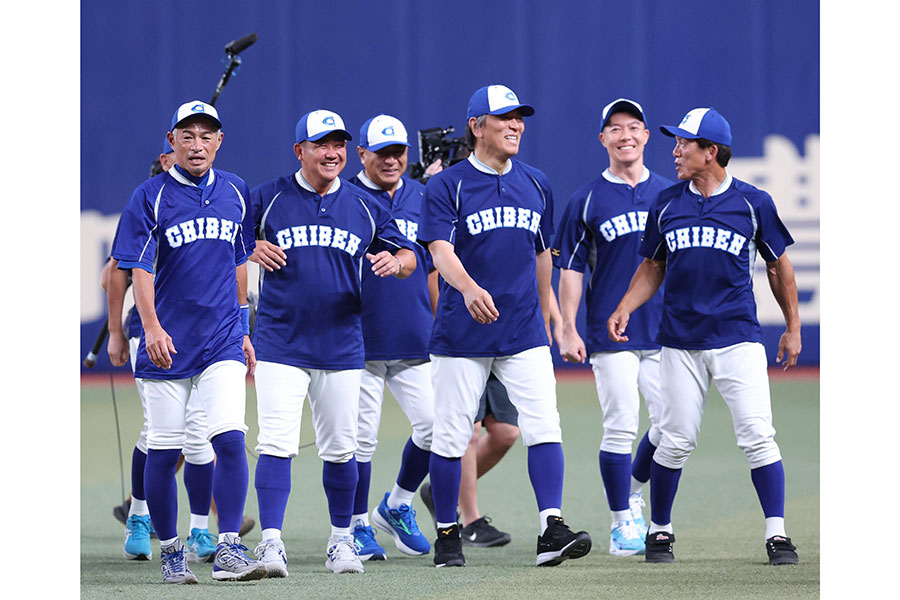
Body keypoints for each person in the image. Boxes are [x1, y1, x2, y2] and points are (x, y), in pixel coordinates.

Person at [607, 107, 801, 565]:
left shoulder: (753, 203)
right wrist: (625, 305)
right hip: (679, 341)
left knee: (757, 435)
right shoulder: (668, 201)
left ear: (711, 152)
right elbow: (652, 264)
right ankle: (660, 531)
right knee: (674, 438)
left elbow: (778, 265)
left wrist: (792, 327)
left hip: (737, 338)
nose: (674, 150)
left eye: (684, 144)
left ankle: (777, 534)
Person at [418, 84, 591, 568]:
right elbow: (439, 250)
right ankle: (448, 533)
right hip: (460, 333)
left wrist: (550, 311)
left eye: (520, 118)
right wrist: (469, 288)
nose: (516, 126)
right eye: (504, 118)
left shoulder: (536, 182)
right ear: (477, 126)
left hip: (521, 330)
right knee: (452, 436)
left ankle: (551, 527)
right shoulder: (446, 185)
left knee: (544, 425)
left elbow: (541, 253)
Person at [248, 109, 417, 576]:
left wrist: (397, 264)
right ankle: (271, 543)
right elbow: (228, 240)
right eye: (321, 144)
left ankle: (342, 540)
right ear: (299, 150)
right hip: (281, 341)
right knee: (276, 445)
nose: (332, 152)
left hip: (342, 345)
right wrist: (249, 248)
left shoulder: (365, 205)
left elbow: (408, 252)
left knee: (342, 449)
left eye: (338, 143)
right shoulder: (267, 198)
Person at [111, 100, 267, 584]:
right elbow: (138, 267)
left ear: (219, 142)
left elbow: (240, 263)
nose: (197, 145)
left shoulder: (237, 191)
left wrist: (242, 329)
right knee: (163, 448)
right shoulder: (150, 195)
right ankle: (172, 552)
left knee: (230, 438)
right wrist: (150, 327)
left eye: (206, 136)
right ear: (172, 141)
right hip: (168, 343)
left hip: (221, 338)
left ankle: (227, 548)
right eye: (188, 136)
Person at [554, 98, 674, 556]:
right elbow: (571, 270)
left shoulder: (669, 194)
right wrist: (568, 326)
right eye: (615, 128)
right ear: (602, 139)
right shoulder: (586, 199)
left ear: (646, 136)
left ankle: (635, 488)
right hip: (612, 333)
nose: (625, 135)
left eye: (634, 127)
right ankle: (622, 521)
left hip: (666, 332)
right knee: (621, 423)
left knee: (673, 427)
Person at [345, 114, 433, 562]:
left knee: (437, 428)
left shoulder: (422, 195)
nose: (391, 160)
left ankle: (396, 503)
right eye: (381, 153)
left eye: (398, 152)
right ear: (362, 154)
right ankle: (358, 524)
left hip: (412, 332)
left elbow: (432, 262)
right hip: (358, 335)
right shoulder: (344, 195)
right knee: (360, 439)